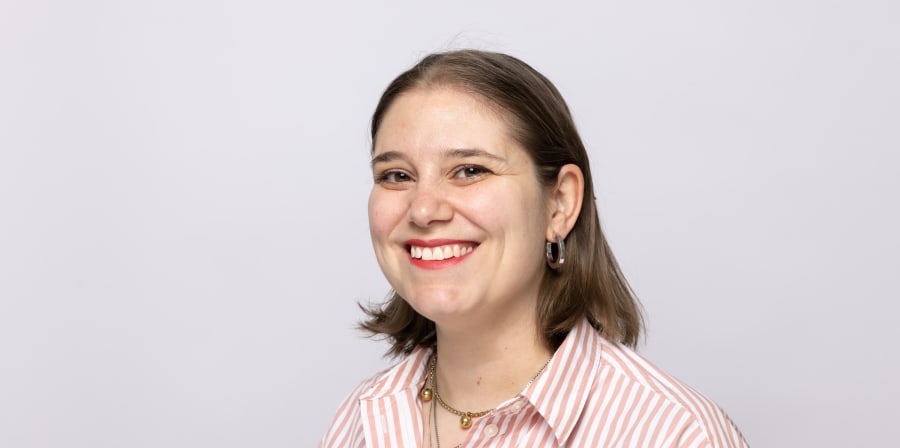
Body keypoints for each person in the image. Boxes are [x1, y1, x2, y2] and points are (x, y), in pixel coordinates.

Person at [320, 49, 748, 448]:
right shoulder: (360, 419)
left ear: (559, 203)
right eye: (396, 175)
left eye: (470, 170)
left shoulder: (675, 433)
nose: (423, 209)